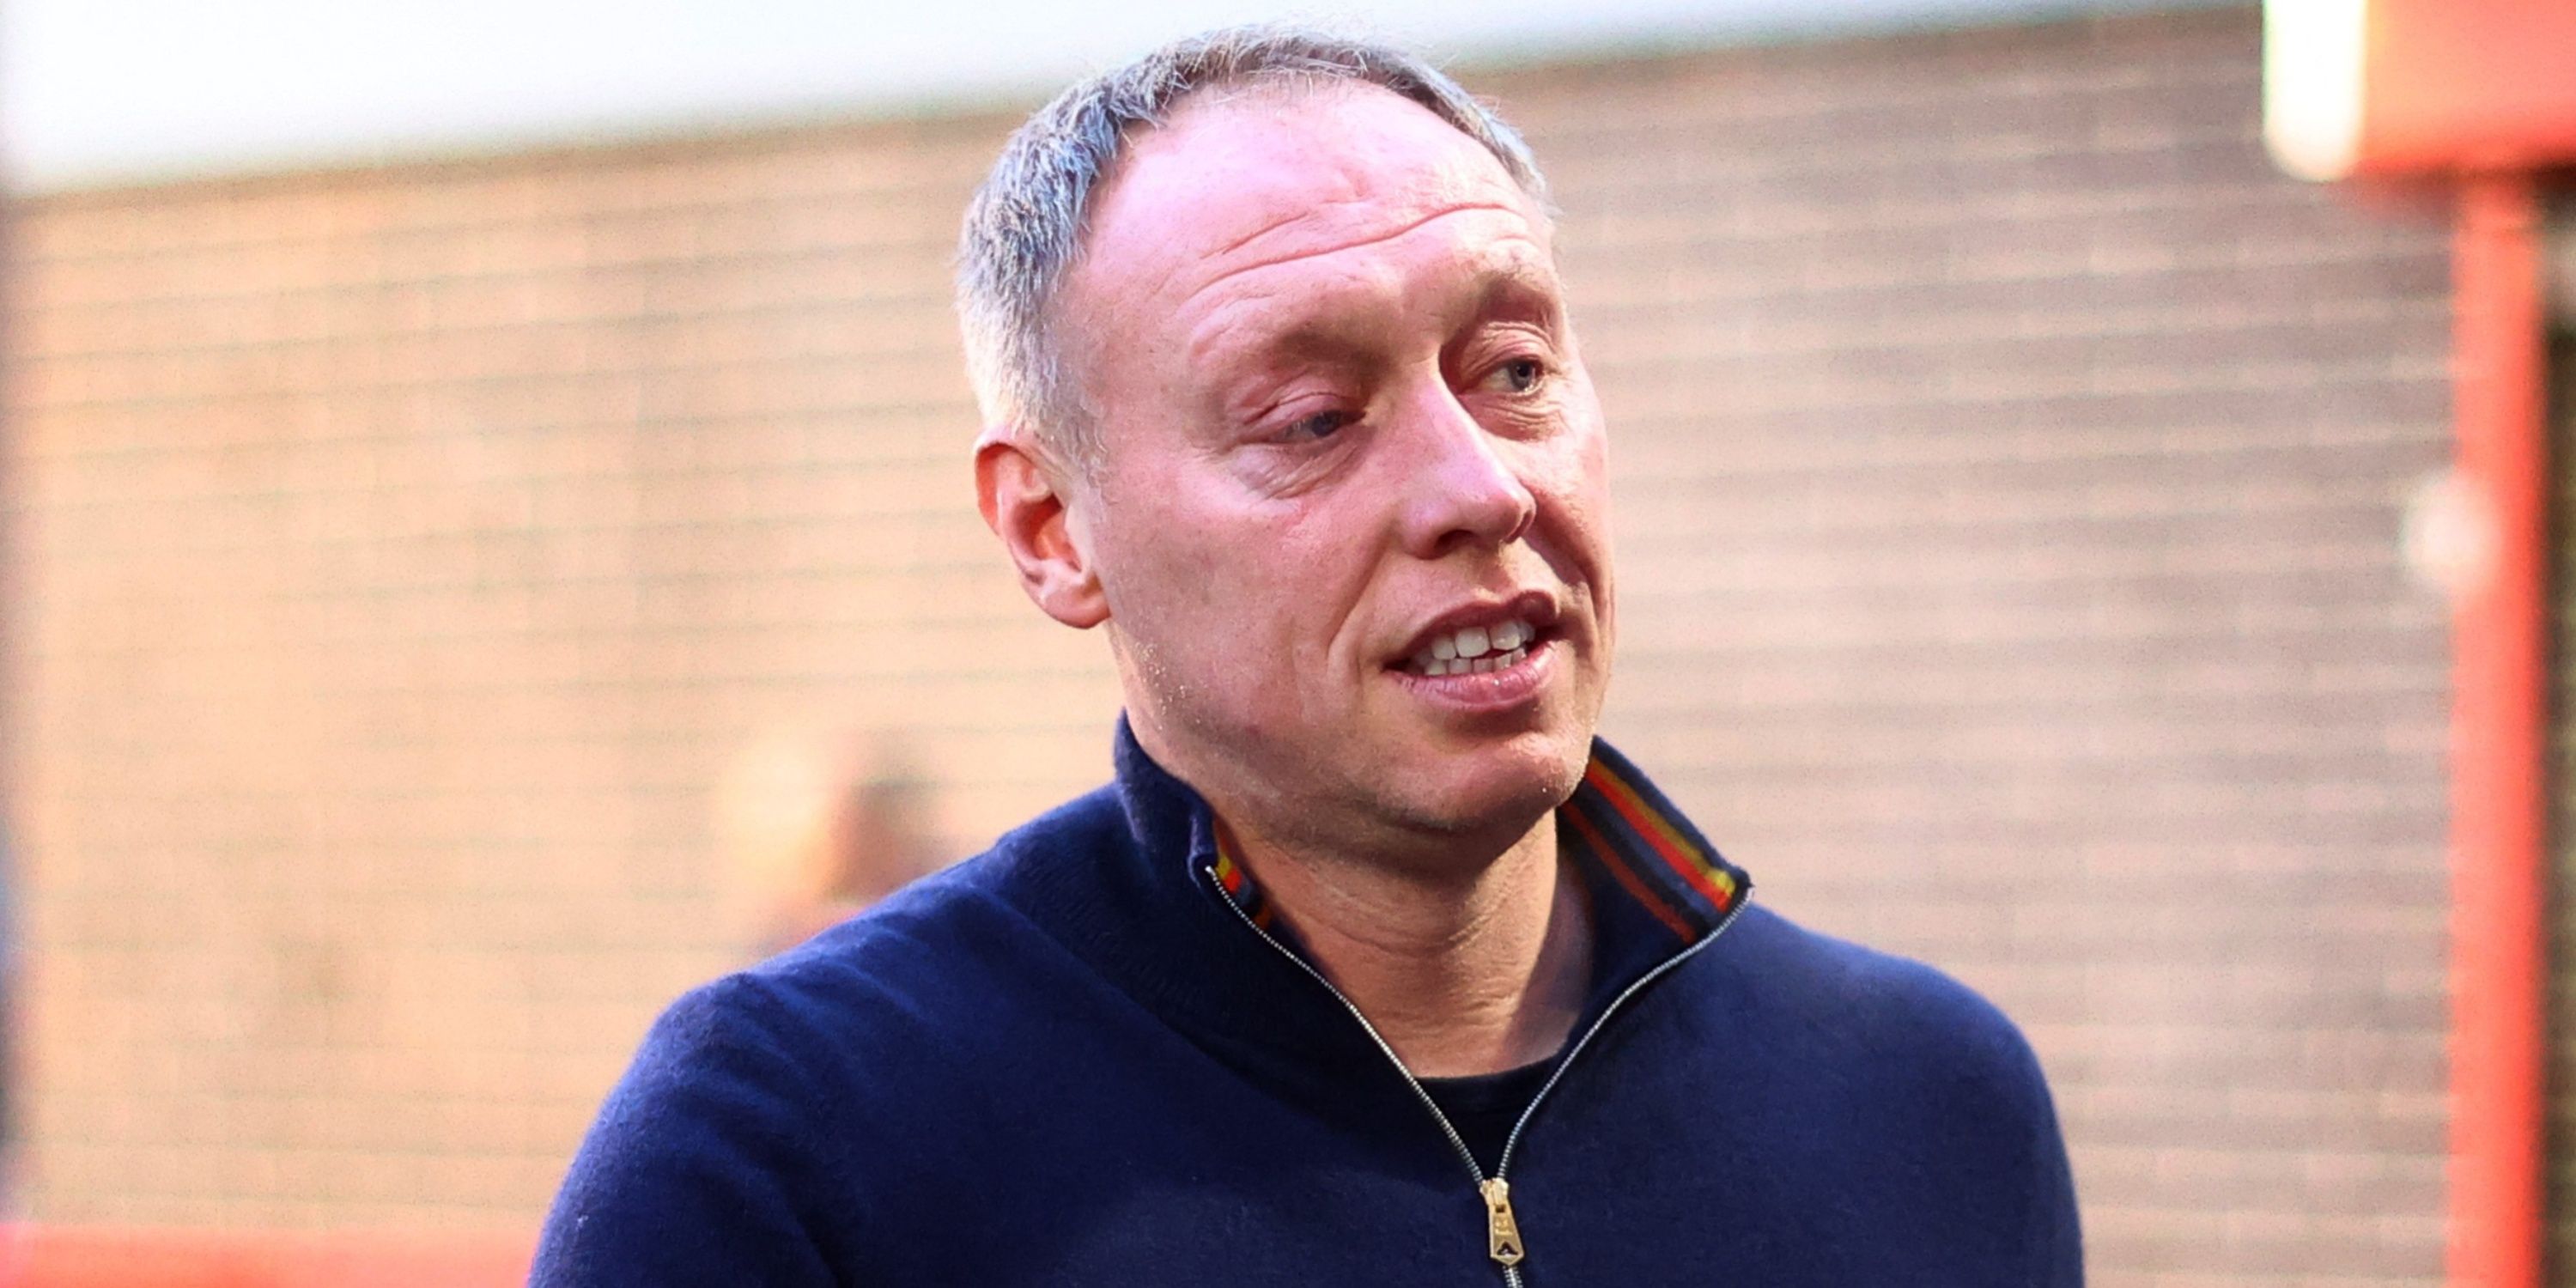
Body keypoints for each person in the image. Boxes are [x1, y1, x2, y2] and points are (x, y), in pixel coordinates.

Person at [533, 27, 2082, 1286]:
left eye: (1516, 370)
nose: (1479, 485)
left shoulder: (1928, 1102)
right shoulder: (795, 1152)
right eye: (1313, 419)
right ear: (1053, 530)